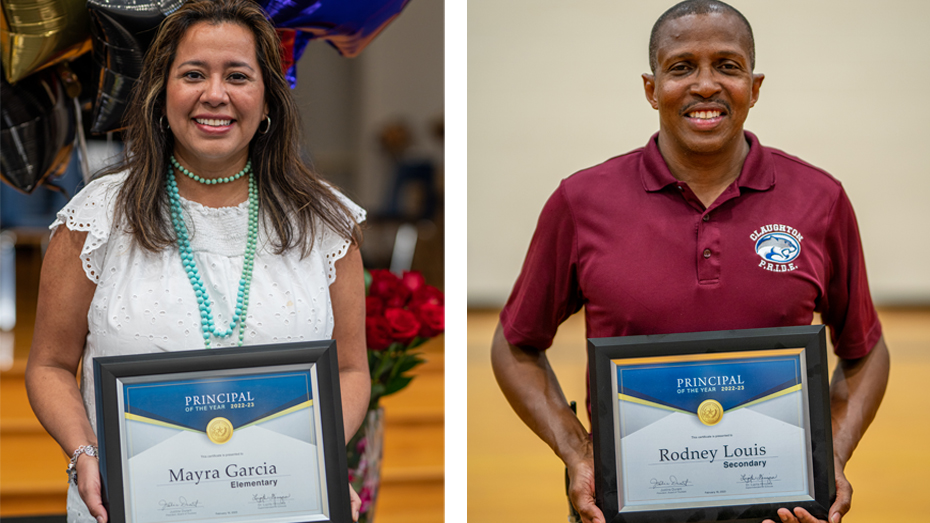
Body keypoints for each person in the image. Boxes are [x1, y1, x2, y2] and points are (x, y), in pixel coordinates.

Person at [490, 2, 890, 523]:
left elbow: (866, 350)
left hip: (780, 509)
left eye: (728, 65)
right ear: (651, 88)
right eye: (681, 67)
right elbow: (515, 343)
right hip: (627, 508)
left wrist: (829, 454)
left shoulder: (820, 199)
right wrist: (577, 452)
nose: (706, 85)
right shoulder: (581, 201)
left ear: (756, 85)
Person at [24, 1, 369, 522]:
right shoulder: (96, 218)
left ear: (268, 96)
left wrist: (317, 459)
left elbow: (349, 370)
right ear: (161, 94)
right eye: (193, 74)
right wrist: (84, 453)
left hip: (281, 504)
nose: (215, 94)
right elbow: (49, 366)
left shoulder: (324, 221)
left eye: (237, 75)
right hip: (130, 505)